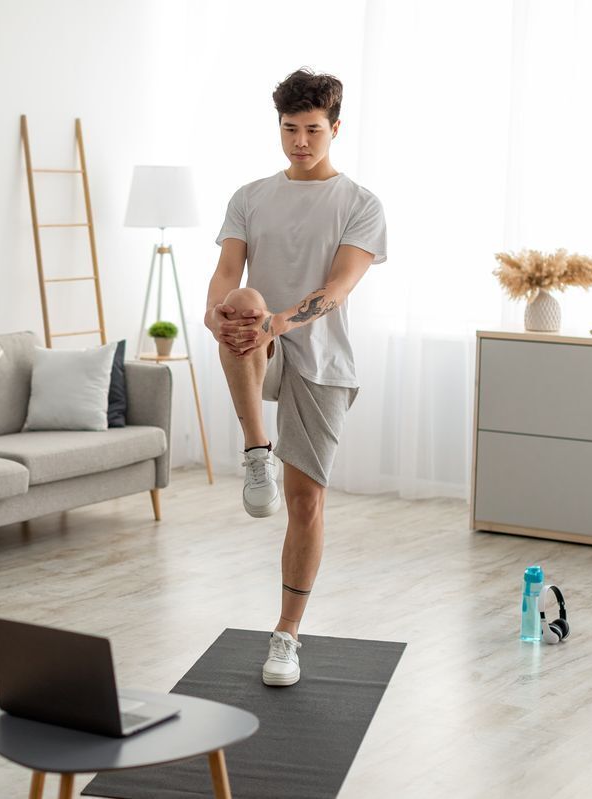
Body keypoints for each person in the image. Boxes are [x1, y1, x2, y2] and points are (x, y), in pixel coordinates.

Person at [203, 68, 387, 686]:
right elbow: (226, 272)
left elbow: (337, 288)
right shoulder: (250, 196)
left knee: (306, 501)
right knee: (242, 299)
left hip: (320, 358)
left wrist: (276, 324)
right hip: (257, 345)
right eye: (289, 129)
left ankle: (286, 634)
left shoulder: (360, 203)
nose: (300, 142)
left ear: (335, 128)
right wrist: (215, 313)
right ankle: (257, 451)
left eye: (312, 130)